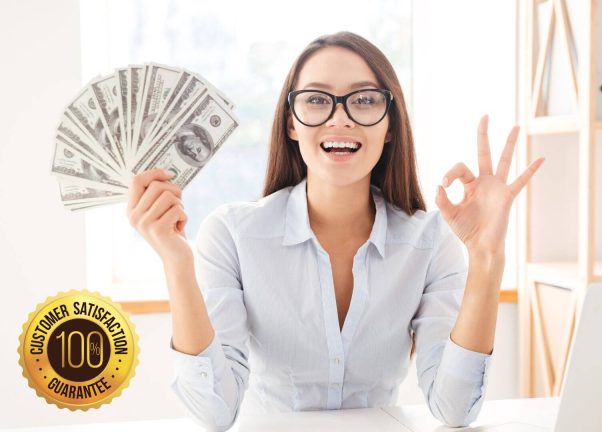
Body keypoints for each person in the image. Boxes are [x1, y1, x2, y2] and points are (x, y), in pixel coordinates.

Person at [127, 31, 544, 431]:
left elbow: (454, 409)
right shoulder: (233, 235)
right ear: (291, 124)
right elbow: (214, 411)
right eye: (316, 100)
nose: (340, 118)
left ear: (390, 126)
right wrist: (178, 264)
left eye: (364, 100)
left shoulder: (430, 241)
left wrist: (486, 259)